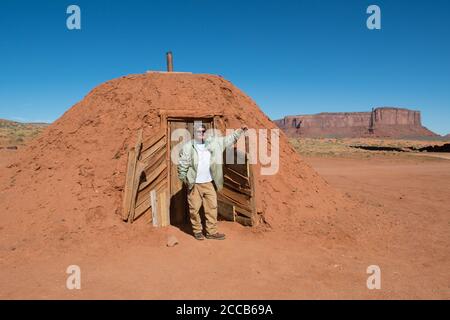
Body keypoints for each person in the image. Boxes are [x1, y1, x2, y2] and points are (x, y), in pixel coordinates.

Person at [177, 123, 248, 240]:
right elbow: (182, 165)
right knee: (194, 209)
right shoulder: (188, 147)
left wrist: (240, 130)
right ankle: (197, 231)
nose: (201, 134)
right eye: (198, 132)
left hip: (209, 183)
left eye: (203, 131)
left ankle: (211, 232)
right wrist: (185, 179)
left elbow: (228, 140)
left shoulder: (214, 143)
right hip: (195, 184)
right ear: (194, 134)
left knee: (212, 208)